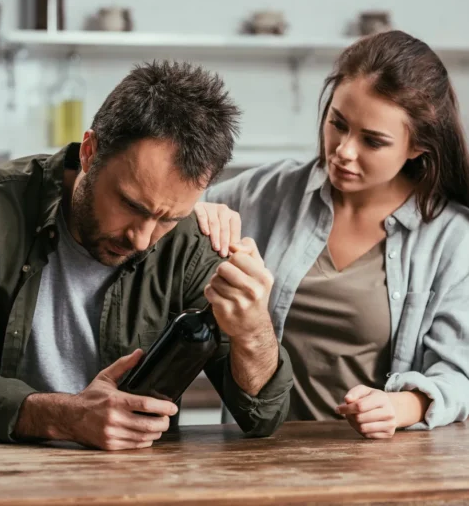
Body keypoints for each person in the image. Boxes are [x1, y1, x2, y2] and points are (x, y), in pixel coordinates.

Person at [0, 61, 293, 450]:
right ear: (89, 152)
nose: (143, 238)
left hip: (134, 484)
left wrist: (253, 331)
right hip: (0, 472)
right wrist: (70, 417)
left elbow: (262, 416)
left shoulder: (193, 242)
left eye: (168, 217)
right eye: (132, 204)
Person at [195, 30, 469, 439]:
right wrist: (197, 207)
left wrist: (403, 405)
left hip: (378, 474)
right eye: (337, 124)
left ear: (418, 147)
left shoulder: (452, 238)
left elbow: (458, 375)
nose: (343, 151)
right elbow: (166, 214)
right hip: (255, 462)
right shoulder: (267, 193)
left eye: (373, 141)